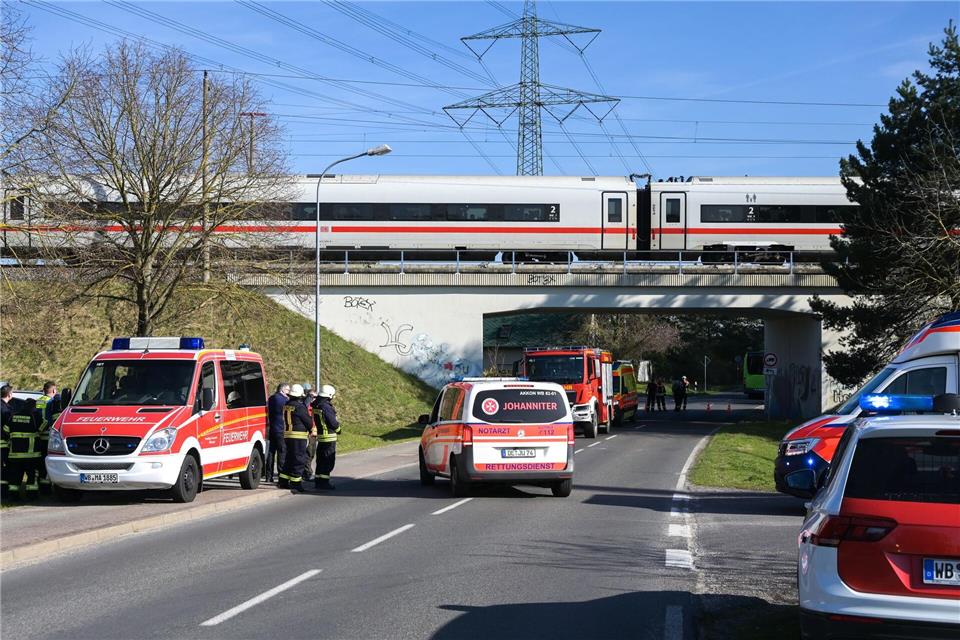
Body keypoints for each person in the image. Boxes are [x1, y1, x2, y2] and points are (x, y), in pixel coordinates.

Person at [278, 384, 311, 493]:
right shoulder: (300, 407)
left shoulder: (287, 405)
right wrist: (311, 429)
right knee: (299, 459)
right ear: (300, 395)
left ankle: (283, 480)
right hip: (298, 436)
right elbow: (307, 421)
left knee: (289, 458)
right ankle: (296, 482)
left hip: (287, 435)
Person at [8, 398, 41, 500]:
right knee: (32, 476)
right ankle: (32, 496)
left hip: (15, 454)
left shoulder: (13, 416)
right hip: (31, 454)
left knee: (15, 476)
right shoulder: (35, 416)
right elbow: (44, 426)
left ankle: (13, 496)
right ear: (33, 407)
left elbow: (6, 429)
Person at [311, 384, 341, 491]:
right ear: (329, 395)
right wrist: (339, 429)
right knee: (328, 460)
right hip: (329, 437)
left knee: (321, 460)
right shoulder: (326, 407)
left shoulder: (316, 405)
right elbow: (333, 422)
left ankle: (318, 481)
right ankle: (324, 483)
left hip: (321, 436)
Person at [265, 382, 289, 483]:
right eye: (288, 390)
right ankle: (281, 475)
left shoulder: (271, 398)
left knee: (271, 452)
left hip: (272, 428)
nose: (289, 392)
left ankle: (268, 476)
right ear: (282, 390)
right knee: (282, 452)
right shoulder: (285, 400)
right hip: (280, 429)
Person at [301, 383, 318, 482]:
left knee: (311, 453)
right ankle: (307, 472)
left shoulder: (313, 406)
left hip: (314, 433)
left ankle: (306, 471)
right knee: (309, 453)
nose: (316, 398)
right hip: (309, 433)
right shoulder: (306, 406)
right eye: (313, 396)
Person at [1, 385, 13, 499]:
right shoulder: (6, 409)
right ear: (9, 394)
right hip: (3, 444)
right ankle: (3, 493)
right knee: (4, 469)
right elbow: (7, 427)